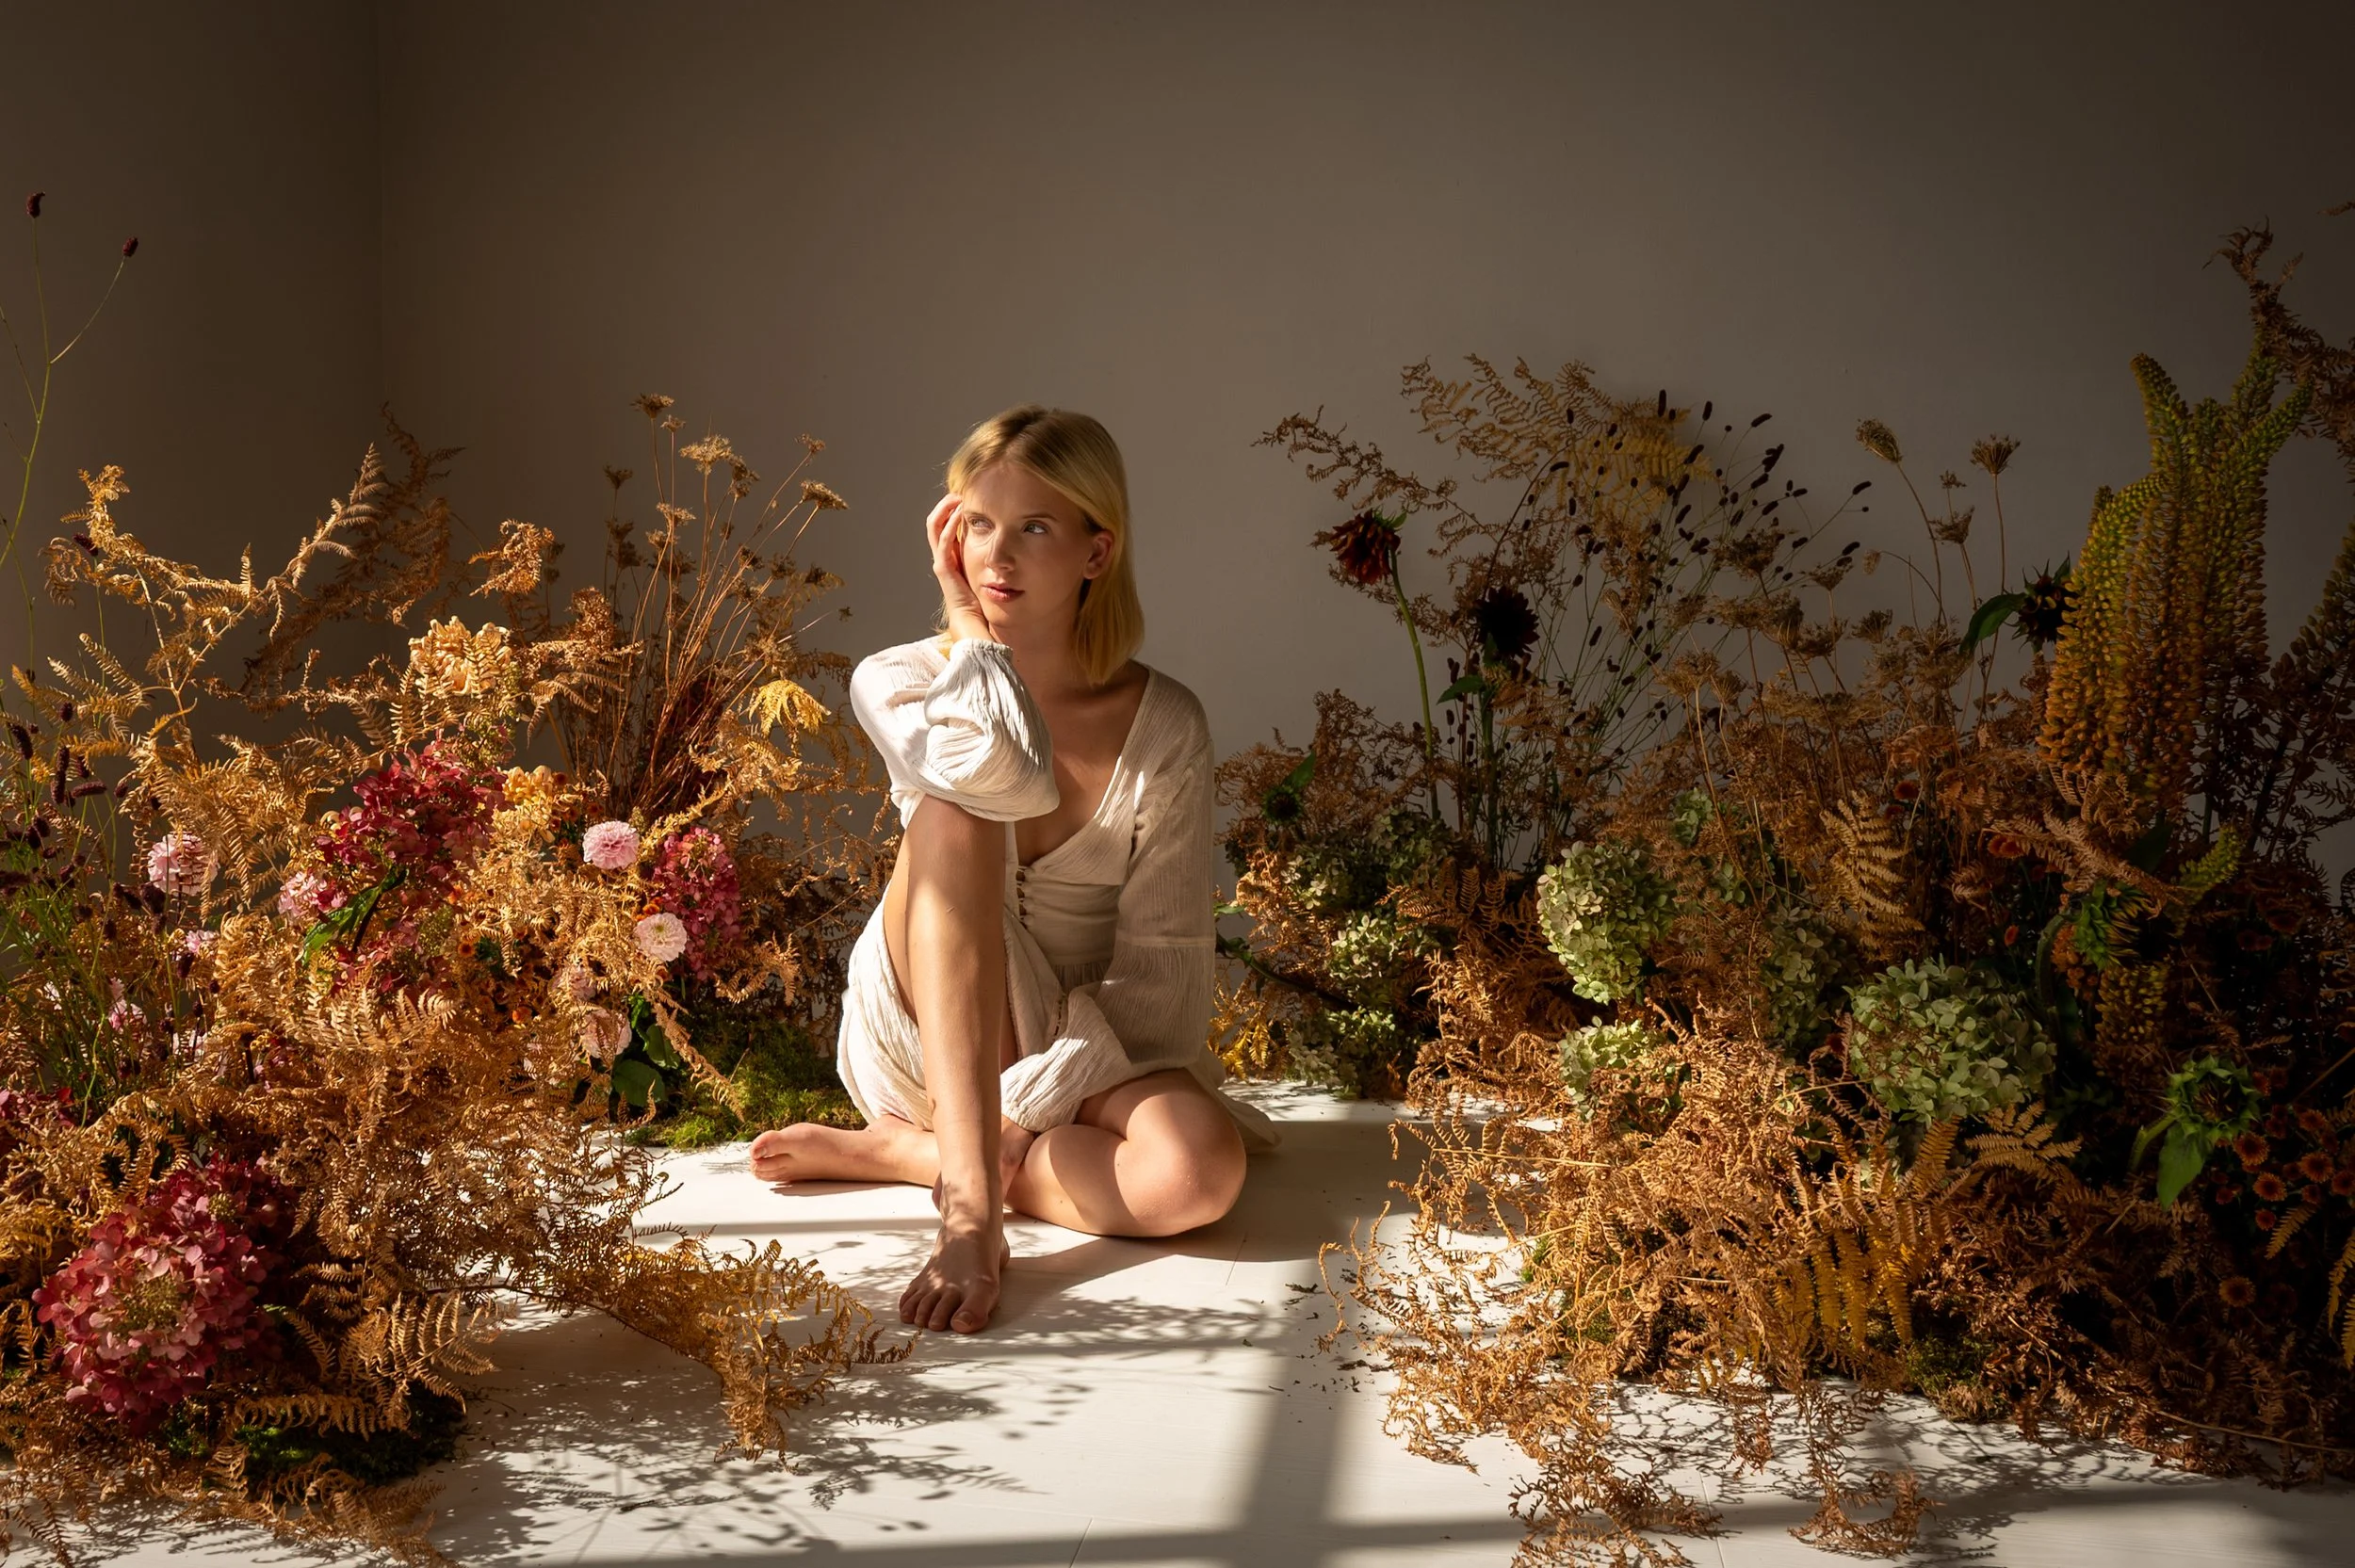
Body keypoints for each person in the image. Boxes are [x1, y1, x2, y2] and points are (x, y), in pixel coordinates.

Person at [748, 404, 1277, 1335]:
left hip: (1091, 1037)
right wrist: (970, 635)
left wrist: (1027, 1112)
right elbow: (996, 775)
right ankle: (968, 1208)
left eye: (1034, 528)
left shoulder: (1166, 725)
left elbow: (1161, 972)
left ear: (1095, 552)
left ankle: (915, 1157)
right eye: (977, 525)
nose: (996, 558)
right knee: (952, 811)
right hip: (933, 1024)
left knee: (1199, 1172)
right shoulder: (897, 677)